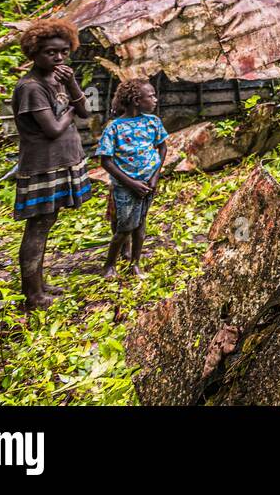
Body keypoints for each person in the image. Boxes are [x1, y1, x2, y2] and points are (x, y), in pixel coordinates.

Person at [10, 19, 93, 310]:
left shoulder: (58, 79)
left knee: (48, 222)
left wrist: (71, 83)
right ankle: (32, 294)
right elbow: (54, 128)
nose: (58, 58)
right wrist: (70, 110)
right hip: (43, 164)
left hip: (63, 160)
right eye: (50, 53)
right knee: (38, 226)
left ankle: (39, 284)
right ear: (33, 53)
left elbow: (84, 111)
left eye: (63, 52)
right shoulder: (31, 87)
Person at [97, 79, 167, 279]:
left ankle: (134, 264)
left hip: (148, 185)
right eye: (151, 95)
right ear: (137, 100)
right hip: (126, 187)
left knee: (141, 225)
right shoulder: (114, 128)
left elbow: (162, 148)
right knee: (125, 227)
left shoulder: (153, 122)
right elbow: (106, 161)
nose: (155, 99)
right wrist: (131, 183)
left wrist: (155, 176)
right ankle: (109, 266)